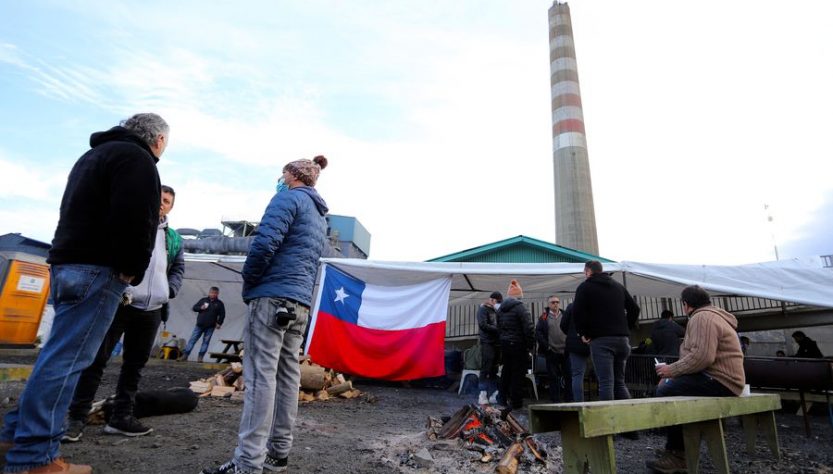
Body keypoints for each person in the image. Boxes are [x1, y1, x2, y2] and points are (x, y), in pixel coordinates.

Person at [0, 113, 166, 473]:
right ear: (158, 140)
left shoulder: (93, 156)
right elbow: (136, 218)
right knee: (67, 362)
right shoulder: (137, 160)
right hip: (99, 270)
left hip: (67, 264)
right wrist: (132, 268)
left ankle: (15, 435)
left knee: (55, 357)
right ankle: (34, 458)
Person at [202, 155, 329, 474]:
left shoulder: (287, 199)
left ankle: (247, 462)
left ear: (293, 176)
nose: (280, 179)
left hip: (272, 298)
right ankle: (277, 454)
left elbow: (263, 245)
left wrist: (250, 282)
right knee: (288, 376)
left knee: (260, 377)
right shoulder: (318, 216)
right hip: (299, 303)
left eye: (283, 174)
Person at [62, 185, 184, 442]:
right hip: (120, 303)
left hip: (152, 309)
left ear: (171, 207)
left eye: (167, 201)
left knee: (134, 367)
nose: (162, 204)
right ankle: (76, 418)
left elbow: (178, 268)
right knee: (96, 359)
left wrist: (169, 290)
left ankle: (121, 417)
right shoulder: (133, 224)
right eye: (160, 198)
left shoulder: (173, 239)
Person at [646, 285, 745, 473]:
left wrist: (670, 371)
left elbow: (702, 357)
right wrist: (673, 374)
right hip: (724, 379)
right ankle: (680, 447)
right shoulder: (713, 315)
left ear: (685, 304)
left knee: (667, 390)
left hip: (720, 380)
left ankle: (677, 455)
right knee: (670, 386)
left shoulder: (701, 317)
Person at [572, 260, 640, 402]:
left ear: (588, 271)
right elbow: (634, 308)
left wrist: (583, 333)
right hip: (622, 340)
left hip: (601, 341)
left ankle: (608, 416)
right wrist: (625, 327)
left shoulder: (585, 287)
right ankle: (629, 412)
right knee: (619, 383)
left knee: (606, 383)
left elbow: (577, 313)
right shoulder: (618, 286)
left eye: (585, 272)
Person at [496, 279, 534, 410]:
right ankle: (516, 403)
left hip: (505, 344)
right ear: (519, 296)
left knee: (506, 371)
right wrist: (530, 345)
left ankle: (501, 399)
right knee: (518, 374)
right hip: (518, 345)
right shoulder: (521, 308)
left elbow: (498, 327)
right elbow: (528, 328)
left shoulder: (500, 309)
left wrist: (503, 340)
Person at [535, 295, 571, 402]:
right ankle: (555, 400)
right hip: (551, 351)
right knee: (553, 377)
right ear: (548, 304)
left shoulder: (565, 315)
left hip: (566, 351)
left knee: (568, 376)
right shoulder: (544, 317)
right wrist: (547, 347)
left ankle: (569, 399)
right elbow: (538, 333)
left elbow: (571, 329)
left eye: (557, 302)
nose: (555, 304)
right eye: (553, 302)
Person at [181, 287, 226, 362]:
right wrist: (200, 308)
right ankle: (185, 355)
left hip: (210, 326)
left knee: (205, 342)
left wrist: (219, 323)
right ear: (209, 293)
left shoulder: (219, 303)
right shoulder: (203, 300)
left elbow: (222, 314)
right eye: (212, 292)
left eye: (215, 293)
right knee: (192, 340)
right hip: (199, 325)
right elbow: (194, 308)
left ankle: (200, 358)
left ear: (217, 294)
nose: (213, 294)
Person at [560, 302, 590, 402]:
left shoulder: (572, 306)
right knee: (605, 377)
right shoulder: (596, 303)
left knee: (577, 375)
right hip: (596, 341)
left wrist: (571, 333)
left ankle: (579, 403)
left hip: (576, 343)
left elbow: (563, 324)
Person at [476, 291, 502, 405]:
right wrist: (498, 329)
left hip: (497, 343)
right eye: (497, 301)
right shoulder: (483, 309)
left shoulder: (497, 311)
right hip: (487, 342)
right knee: (486, 367)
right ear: (491, 300)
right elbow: (483, 325)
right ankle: (482, 393)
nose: (498, 303)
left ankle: (493, 394)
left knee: (494, 369)